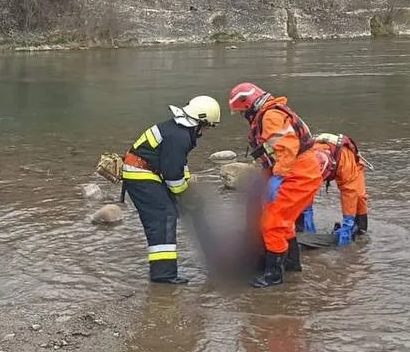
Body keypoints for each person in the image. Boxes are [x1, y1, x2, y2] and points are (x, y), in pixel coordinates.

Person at [228, 82, 321, 288]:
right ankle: (291, 265)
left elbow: (287, 148)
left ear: (249, 105)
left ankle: (273, 275)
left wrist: (278, 177)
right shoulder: (272, 112)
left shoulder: (270, 117)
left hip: (297, 175)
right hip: (302, 172)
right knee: (284, 221)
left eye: (243, 112)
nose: (244, 116)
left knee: (272, 223)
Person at [120, 95, 221, 284]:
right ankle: (163, 275)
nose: (207, 130)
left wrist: (189, 190)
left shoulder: (179, 132)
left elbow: (179, 165)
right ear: (200, 121)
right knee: (164, 216)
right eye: (208, 126)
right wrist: (185, 194)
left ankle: (214, 259)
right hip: (140, 175)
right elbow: (173, 176)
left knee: (182, 211)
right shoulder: (179, 136)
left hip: (148, 173)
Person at [310, 132, 370, 245]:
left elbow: (349, 192)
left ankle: (360, 230)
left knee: (359, 196)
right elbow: (304, 187)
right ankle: (306, 226)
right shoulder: (308, 157)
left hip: (348, 161)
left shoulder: (344, 161)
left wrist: (348, 221)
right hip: (327, 156)